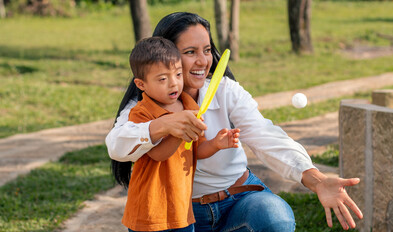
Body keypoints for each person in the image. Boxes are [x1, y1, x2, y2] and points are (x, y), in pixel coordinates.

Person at [106, 12, 363, 231]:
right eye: (190, 52)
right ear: (168, 55)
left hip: (239, 198)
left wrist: (316, 179)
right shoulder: (144, 104)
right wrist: (164, 125)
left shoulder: (225, 90)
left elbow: (265, 136)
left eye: (207, 50)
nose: (203, 61)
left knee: (275, 217)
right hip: (181, 214)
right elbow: (116, 145)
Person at [122, 36, 240, 232]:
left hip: (181, 211)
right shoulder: (141, 113)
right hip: (149, 212)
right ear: (141, 84)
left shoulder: (188, 104)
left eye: (177, 74)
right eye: (162, 79)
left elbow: (196, 150)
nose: (173, 84)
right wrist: (180, 130)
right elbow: (157, 154)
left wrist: (216, 144)